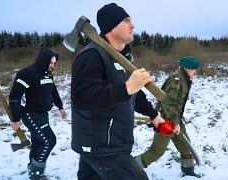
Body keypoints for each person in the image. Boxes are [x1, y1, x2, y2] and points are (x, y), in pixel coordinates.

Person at [71, 3, 166, 180]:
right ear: (111, 26)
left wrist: (154, 115)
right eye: (126, 20)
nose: (132, 25)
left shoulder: (122, 58)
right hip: (101, 146)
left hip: (108, 143)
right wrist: (127, 87)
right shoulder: (91, 56)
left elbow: (134, 95)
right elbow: (82, 98)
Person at [135, 56, 203, 178]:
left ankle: (188, 172)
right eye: (194, 69)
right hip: (165, 120)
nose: (195, 72)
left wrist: (177, 121)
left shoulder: (183, 77)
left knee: (185, 145)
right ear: (187, 69)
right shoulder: (177, 80)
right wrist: (175, 123)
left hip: (174, 118)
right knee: (157, 151)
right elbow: (168, 102)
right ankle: (130, 168)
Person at [9, 48, 67, 179]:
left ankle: (33, 168)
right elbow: (14, 97)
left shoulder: (48, 73)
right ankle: (36, 173)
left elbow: (53, 90)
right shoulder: (26, 74)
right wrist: (15, 118)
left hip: (43, 114)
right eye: (50, 62)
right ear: (43, 60)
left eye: (54, 63)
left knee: (39, 143)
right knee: (49, 141)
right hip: (31, 115)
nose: (53, 65)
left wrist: (60, 107)